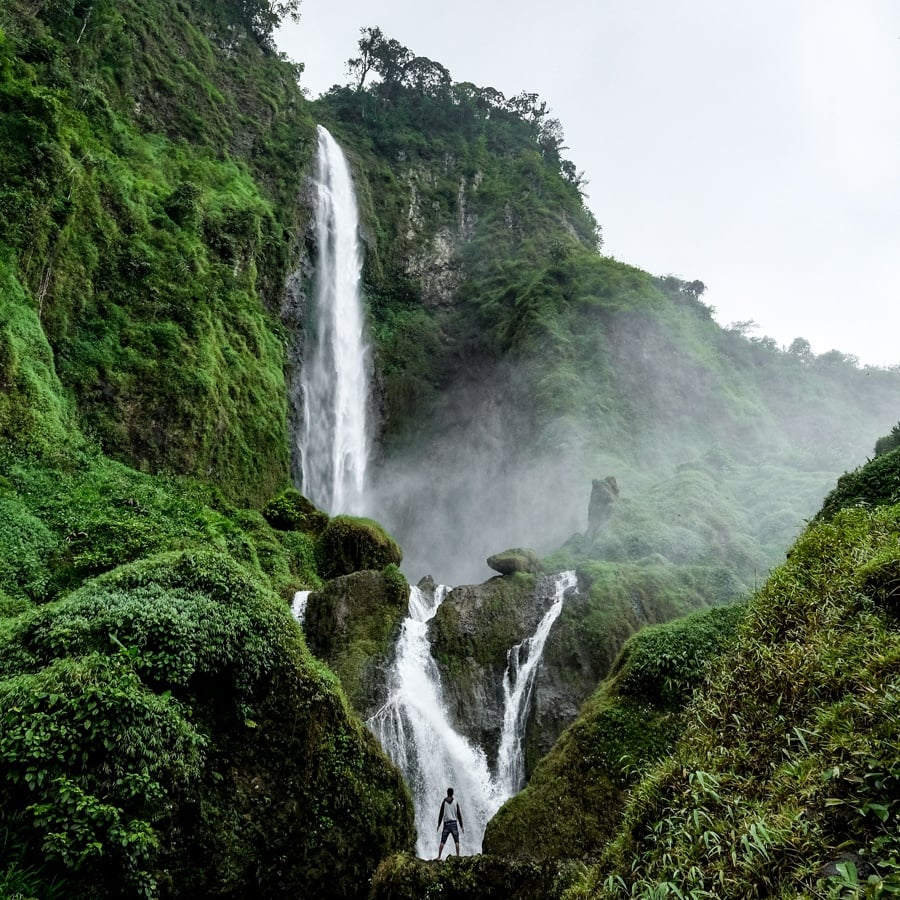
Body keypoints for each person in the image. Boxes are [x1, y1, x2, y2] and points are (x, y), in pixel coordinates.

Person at [435, 787, 464, 859]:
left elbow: (441, 813)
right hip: (454, 823)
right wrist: (461, 826)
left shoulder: (444, 802)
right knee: (456, 841)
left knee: (442, 841)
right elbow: (459, 815)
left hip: (446, 824)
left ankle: (439, 856)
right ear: (452, 793)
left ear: (447, 793)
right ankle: (458, 856)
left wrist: (439, 824)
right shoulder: (455, 802)